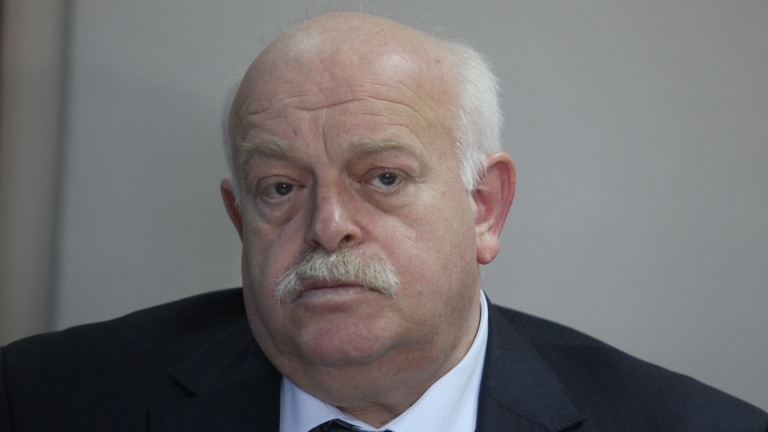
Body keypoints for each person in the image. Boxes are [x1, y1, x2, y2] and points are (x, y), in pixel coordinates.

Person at [1, 12, 766, 432]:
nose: (328, 225)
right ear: (240, 219)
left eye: (385, 178)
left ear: (484, 207)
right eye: (280, 187)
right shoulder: (39, 401)